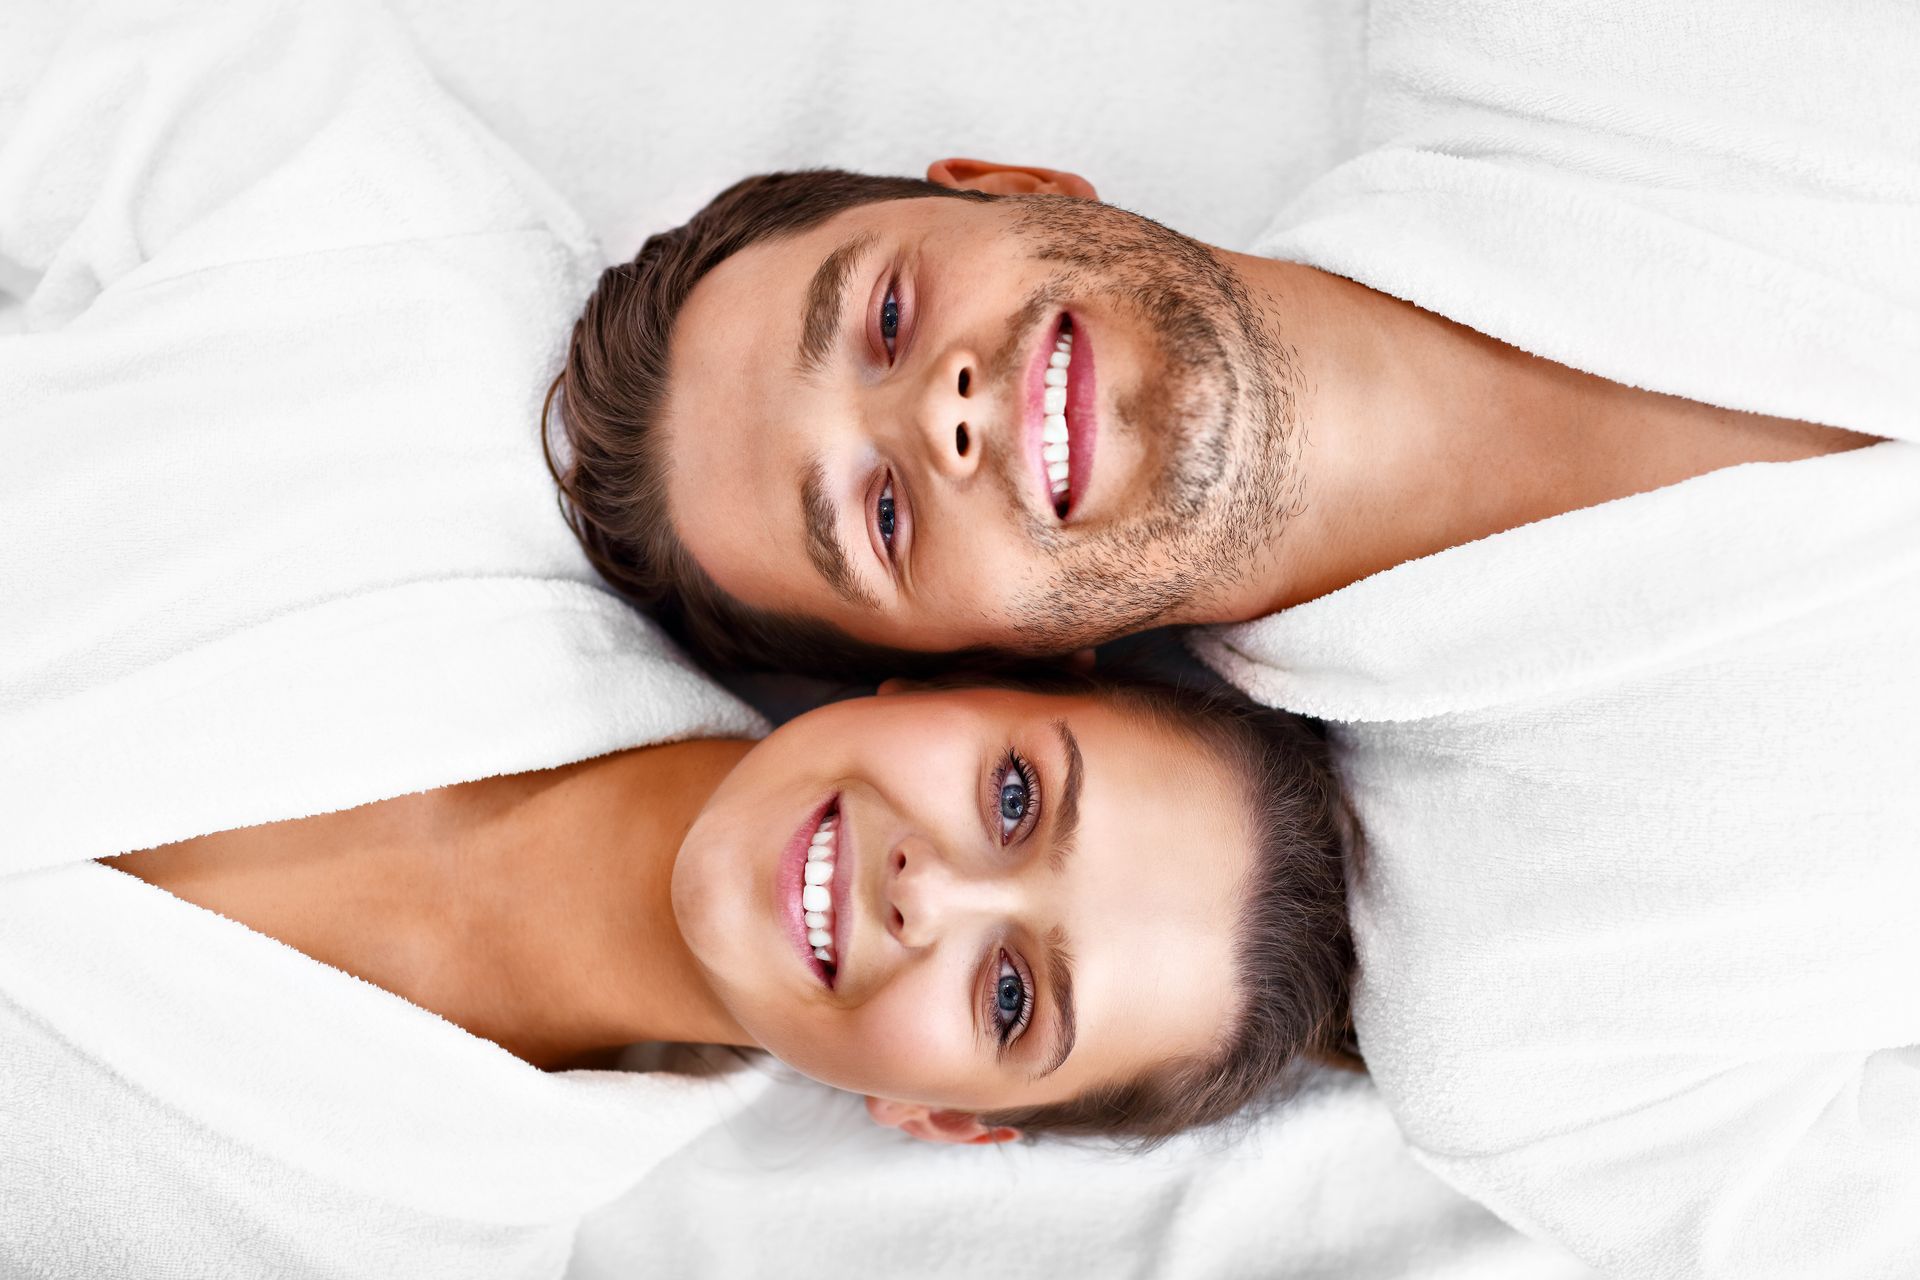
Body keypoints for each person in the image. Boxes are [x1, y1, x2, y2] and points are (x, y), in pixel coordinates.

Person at [545, 2, 1920, 1274]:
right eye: (884, 519)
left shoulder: (1558, 39)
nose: (941, 416)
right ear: (997, 665)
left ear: (1012, 189)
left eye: (887, 318)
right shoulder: (1528, 1036)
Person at [109, 669, 1352, 1145]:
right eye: (1017, 794)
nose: (933, 890)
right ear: (953, 673)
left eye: (1013, 994)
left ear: (939, 1116)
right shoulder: (418, 306)